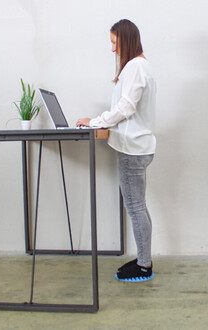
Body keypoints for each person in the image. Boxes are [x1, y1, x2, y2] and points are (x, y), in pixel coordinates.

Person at [77, 19, 156, 282]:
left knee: (135, 207)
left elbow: (125, 108)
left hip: (133, 149)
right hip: (136, 147)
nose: (112, 49)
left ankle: (144, 265)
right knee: (137, 206)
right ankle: (143, 259)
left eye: (114, 43)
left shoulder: (135, 66)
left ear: (126, 39)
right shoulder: (140, 66)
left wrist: (96, 121)